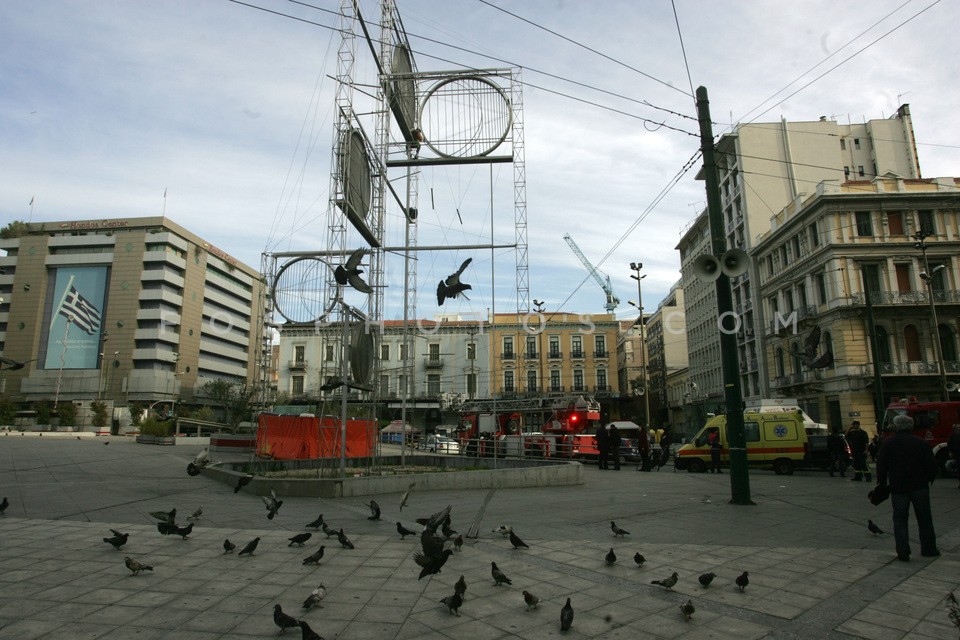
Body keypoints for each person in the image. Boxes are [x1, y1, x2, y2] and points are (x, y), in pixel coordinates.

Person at [876, 414, 939, 561]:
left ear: (896, 426)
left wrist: (882, 482)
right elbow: (931, 464)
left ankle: (903, 550)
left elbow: (881, 465)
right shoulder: (921, 442)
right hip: (919, 486)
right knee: (924, 518)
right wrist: (929, 478)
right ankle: (929, 549)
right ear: (911, 427)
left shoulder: (888, 443)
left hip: (898, 487)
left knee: (900, 519)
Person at [947, 424, 960, 489]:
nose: (959, 429)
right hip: (957, 455)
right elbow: (949, 444)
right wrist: (950, 452)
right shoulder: (952, 436)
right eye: (957, 428)